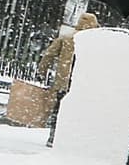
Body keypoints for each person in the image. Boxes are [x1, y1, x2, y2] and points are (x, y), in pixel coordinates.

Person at [36, 12, 99, 147]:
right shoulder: (94, 42)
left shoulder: (67, 38)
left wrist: (42, 70)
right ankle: (70, 137)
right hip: (82, 82)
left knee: (59, 107)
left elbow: (49, 55)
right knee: (77, 110)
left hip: (64, 80)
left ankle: (53, 135)